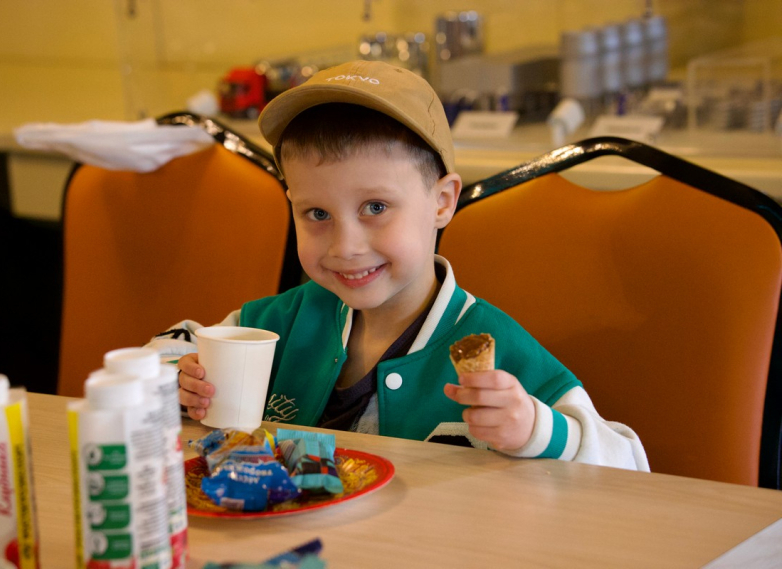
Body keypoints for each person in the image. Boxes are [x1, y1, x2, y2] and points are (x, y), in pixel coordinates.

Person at [147, 60, 649, 470]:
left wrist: (536, 430)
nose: (346, 246)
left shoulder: (496, 349)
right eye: (317, 214)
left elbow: (629, 464)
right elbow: (161, 353)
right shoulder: (282, 322)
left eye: (375, 207)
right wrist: (178, 381)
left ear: (442, 202)